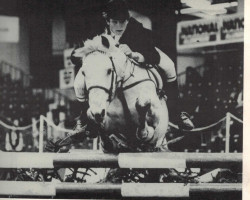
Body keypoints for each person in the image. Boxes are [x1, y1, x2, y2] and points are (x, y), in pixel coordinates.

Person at [72, 0, 194, 133]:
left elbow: (153, 55)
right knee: (78, 81)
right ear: (107, 21)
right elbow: (75, 54)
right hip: (104, 65)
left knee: (169, 65)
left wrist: (135, 54)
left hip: (139, 57)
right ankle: (83, 120)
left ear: (128, 20)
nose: (119, 26)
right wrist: (85, 55)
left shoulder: (137, 29)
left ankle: (177, 114)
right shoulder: (96, 30)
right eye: (115, 22)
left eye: (123, 21)